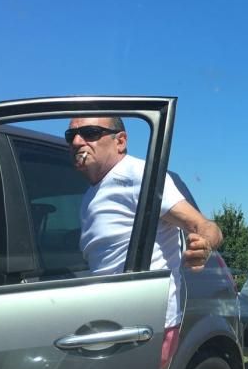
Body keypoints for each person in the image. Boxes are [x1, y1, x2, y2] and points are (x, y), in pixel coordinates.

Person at [67, 115, 223, 348]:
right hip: (112, 321)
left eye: (90, 133)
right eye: (70, 136)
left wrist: (204, 245)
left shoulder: (138, 175)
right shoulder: (91, 194)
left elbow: (206, 226)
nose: (77, 142)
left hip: (146, 326)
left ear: (120, 141)